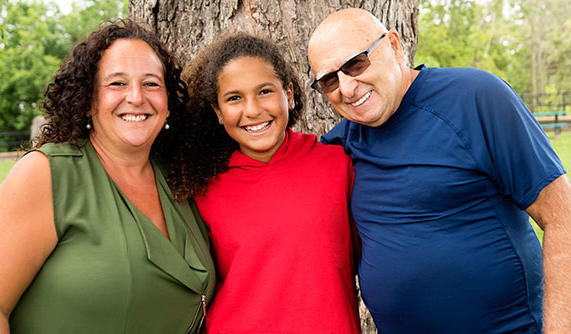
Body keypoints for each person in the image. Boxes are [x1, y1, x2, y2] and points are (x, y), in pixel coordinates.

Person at [307, 8, 571, 334]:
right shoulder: (342, 145)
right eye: (330, 80)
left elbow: (563, 216)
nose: (347, 88)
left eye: (356, 63)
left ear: (393, 45)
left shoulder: (475, 98)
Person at [0, 19, 215, 333]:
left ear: (168, 103)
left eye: (152, 83)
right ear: (88, 100)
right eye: (117, 83)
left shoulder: (179, 179)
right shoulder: (48, 175)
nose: (137, 96)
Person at [176, 33, 361, 333]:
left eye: (264, 91)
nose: (252, 110)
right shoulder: (201, 188)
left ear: (288, 94)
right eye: (234, 98)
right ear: (217, 112)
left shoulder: (338, 165)